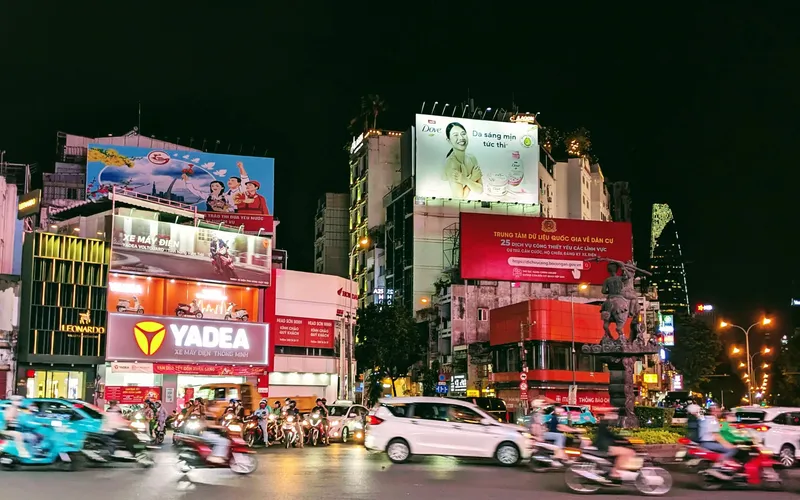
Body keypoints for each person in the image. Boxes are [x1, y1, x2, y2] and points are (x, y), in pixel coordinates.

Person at [593, 407, 635, 482]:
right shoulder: (605, 423)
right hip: (605, 447)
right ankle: (614, 472)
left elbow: (611, 435)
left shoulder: (605, 423)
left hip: (604, 445)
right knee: (629, 452)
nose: (614, 416)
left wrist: (623, 439)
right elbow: (611, 435)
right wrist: (624, 439)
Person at [693, 404, 737, 476]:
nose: (720, 412)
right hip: (708, 443)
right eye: (718, 410)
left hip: (704, 442)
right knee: (732, 450)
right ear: (714, 411)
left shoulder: (706, 419)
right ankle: (718, 465)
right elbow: (716, 435)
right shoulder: (712, 420)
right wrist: (728, 445)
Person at [442, 122, 483, 199]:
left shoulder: (472, 158)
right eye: (455, 135)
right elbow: (459, 199)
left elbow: (480, 190)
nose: (461, 138)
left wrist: (465, 180)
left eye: (463, 133)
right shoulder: (451, 163)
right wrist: (472, 179)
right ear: (449, 141)